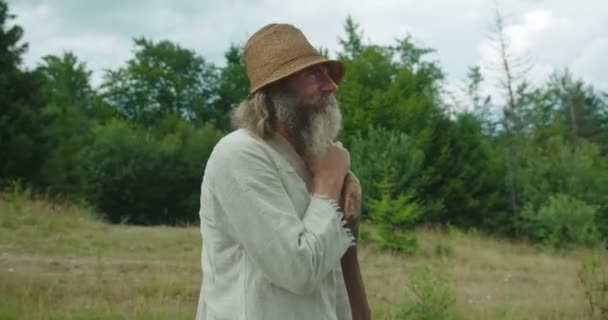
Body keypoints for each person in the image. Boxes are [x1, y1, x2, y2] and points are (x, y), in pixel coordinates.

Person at [196, 23, 370, 320]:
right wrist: (330, 180)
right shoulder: (239, 154)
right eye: (313, 74)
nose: (331, 86)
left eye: (327, 73)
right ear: (275, 89)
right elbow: (299, 271)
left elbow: (336, 275)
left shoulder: (312, 160)